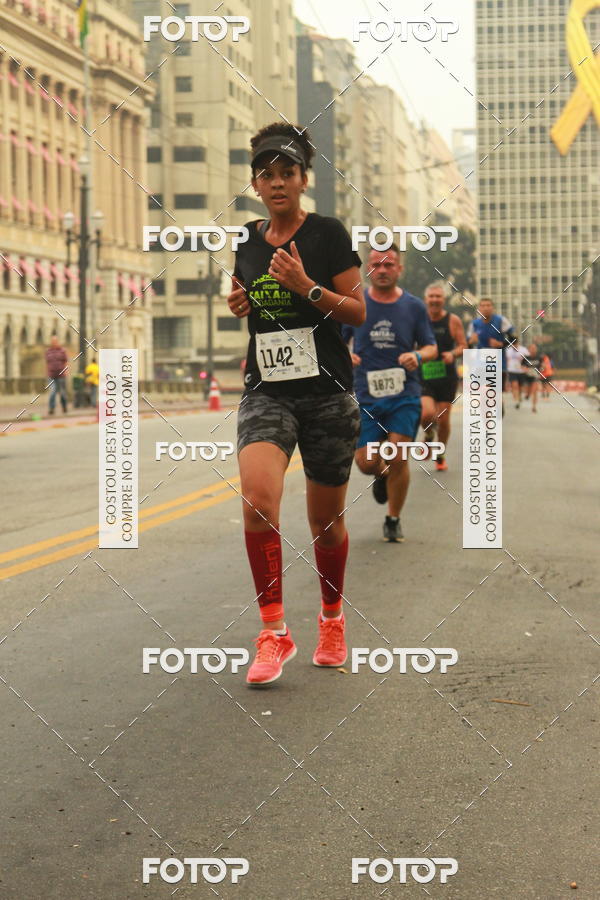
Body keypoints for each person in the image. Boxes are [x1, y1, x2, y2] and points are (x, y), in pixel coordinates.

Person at [228, 122, 364, 687]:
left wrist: (306, 285)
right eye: (267, 174)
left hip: (327, 394)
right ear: (256, 185)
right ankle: (273, 631)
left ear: (304, 180)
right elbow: (252, 300)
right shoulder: (247, 241)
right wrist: (241, 301)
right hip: (268, 390)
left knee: (325, 524)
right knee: (257, 501)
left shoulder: (328, 233)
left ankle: (332, 619)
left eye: (288, 172)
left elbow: (356, 311)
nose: (278, 182)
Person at [342, 244, 437, 543]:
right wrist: (346, 356)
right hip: (366, 395)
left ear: (399, 269)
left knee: (398, 455)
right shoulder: (356, 303)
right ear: (367, 269)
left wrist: (418, 356)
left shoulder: (414, 306)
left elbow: (431, 347)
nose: (382, 270)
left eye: (388, 264)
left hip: (404, 394)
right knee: (366, 462)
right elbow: (338, 341)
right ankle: (381, 474)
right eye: (376, 265)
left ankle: (393, 519)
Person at [419, 282, 467, 472]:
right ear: (426, 300)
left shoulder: (453, 320)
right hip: (424, 374)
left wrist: (453, 354)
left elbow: (463, 345)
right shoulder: (419, 319)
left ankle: (440, 454)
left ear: (444, 300)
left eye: (438, 297)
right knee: (426, 414)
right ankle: (429, 434)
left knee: (444, 419)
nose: (434, 300)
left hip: (447, 376)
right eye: (431, 296)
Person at [467, 298, 515, 414]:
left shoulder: (500, 321)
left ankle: (498, 404)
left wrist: (501, 344)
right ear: (479, 309)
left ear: (492, 308)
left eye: (488, 305)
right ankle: (487, 418)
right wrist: (470, 342)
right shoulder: (474, 324)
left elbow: (514, 339)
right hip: (480, 365)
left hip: (498, 364)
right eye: (483, 305)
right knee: (483, 393)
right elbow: (467, 345)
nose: (485, 308)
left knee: (492, 393)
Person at [45, 334, 68, 415]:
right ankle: (51, 408)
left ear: (57, 342)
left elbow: (66, 362)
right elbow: (47, 363)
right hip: (51, 375)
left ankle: (64, 406)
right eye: (52, 341)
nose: (54, 342)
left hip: (61, 376)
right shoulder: (48, 351)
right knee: (52, 392)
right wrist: (47, 372)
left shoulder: (62, 351)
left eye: (55, 341)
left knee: (62, 393)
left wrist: (66, 371)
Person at [506, 338, 529, 408]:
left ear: (518, 343)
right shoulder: (508, 350)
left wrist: (526, 367)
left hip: (521, 371)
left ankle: (519, 396)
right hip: (512, 370)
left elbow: (528, 359)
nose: (514, 346)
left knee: (520, 386)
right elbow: (506, 360)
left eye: (515, 344)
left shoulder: (523, 350)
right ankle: (516, 401)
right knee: (514, 385)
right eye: (513, 344)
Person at [521, 342, 544, 413]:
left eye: (534, 348)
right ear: (529, 349)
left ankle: (534, 406)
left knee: (535, 391)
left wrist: (542, 368)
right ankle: (527, 395)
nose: (533, 349)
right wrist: (525, 369)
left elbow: (542, 366)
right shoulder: (526, 358)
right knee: (528, 392)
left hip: (535, 376)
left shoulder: (539, 358)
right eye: (532, 348)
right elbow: (522, 366)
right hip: (527, 376)